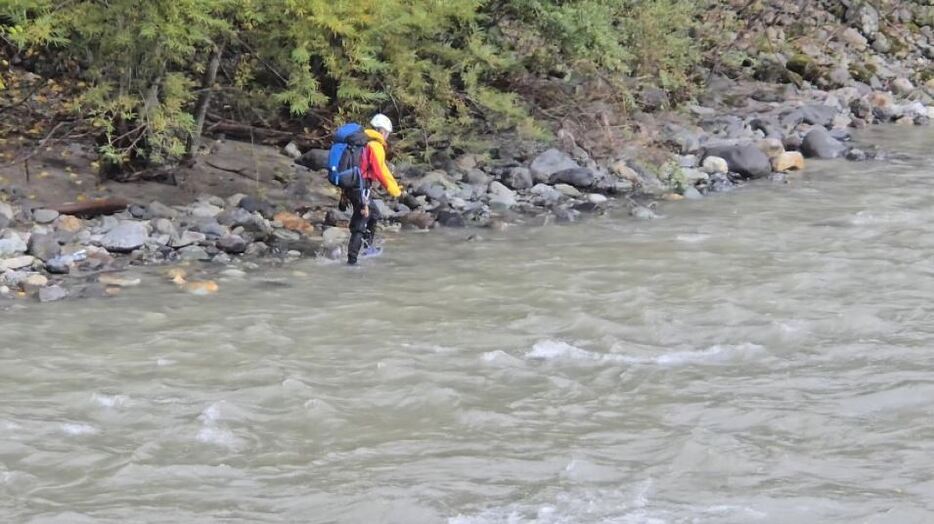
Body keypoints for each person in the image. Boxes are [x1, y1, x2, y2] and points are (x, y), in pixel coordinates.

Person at [345, 114, 402, 265]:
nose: (387, 137)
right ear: (382, 131)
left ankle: (366, 248)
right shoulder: (374, 145)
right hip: (360, 186)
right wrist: (395, 190)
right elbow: (380, 170)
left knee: (374, 214)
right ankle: (352, 262)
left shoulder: (362, 141)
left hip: (352, 185)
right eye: (388, 133)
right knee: (361, 221)